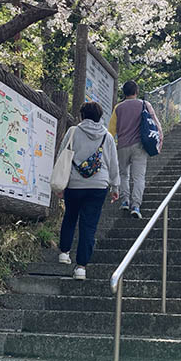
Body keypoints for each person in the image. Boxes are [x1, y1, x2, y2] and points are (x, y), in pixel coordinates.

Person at [56, 101, 119, 280]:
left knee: (70, 217)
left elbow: (63, 154)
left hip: (74, 184)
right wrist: (115, 186)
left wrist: (61, 184)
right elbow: (113, 163)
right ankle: (81, 268)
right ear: (100, 117)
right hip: (98, 186)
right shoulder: (107, 137)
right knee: (89, 226)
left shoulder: (73, 131)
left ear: (82, 116)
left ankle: (64, 252)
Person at [108, 80, 163, 219]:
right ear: (136, 92)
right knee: (139, 177)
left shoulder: (118, 108)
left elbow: (111, 131)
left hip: (122, 146)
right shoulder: (144, 104)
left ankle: (125, 200)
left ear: (124, 93)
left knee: (123, 174)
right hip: (140, 146)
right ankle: (136, 205)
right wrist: (160, 140)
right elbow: (156, 124)